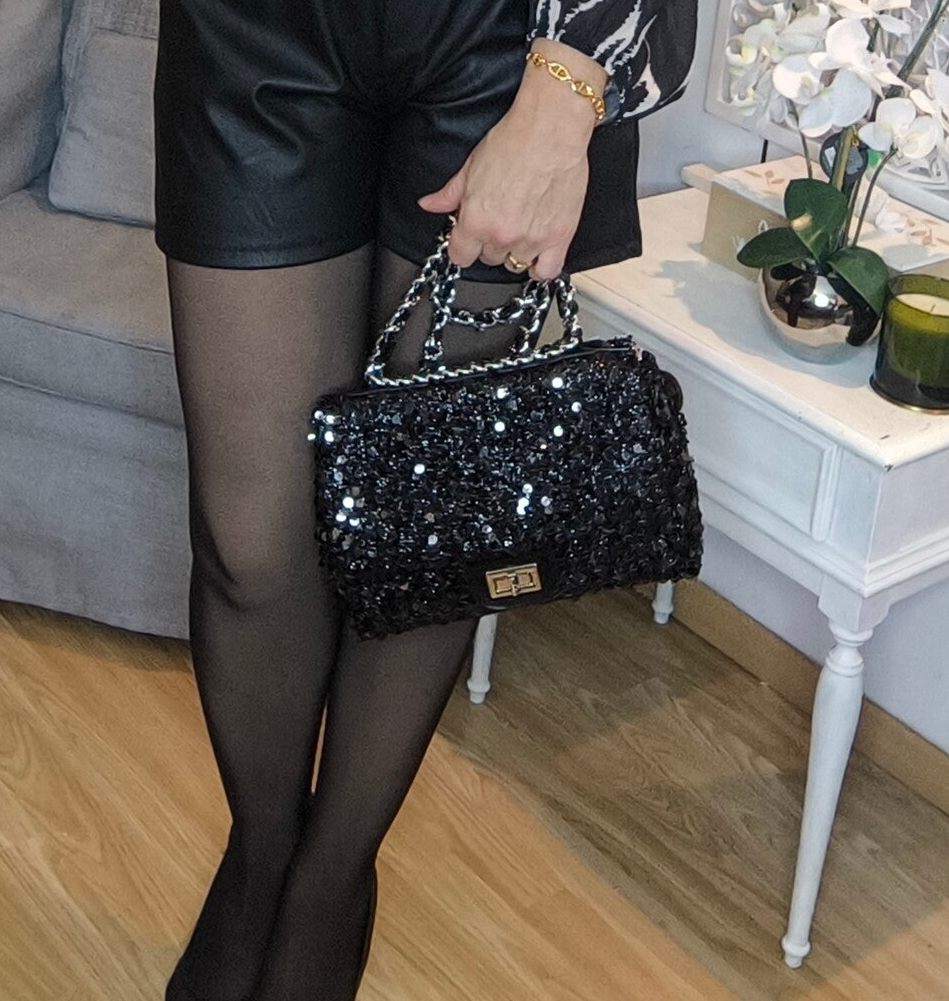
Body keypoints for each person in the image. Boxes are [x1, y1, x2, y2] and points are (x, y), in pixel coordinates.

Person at [152, 0, 697, 998]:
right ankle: (261, 854)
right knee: (250, 545)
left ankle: (328, 879)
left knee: (430, 525)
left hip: (507, 44)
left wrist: (568, 86)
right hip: (251, 28)